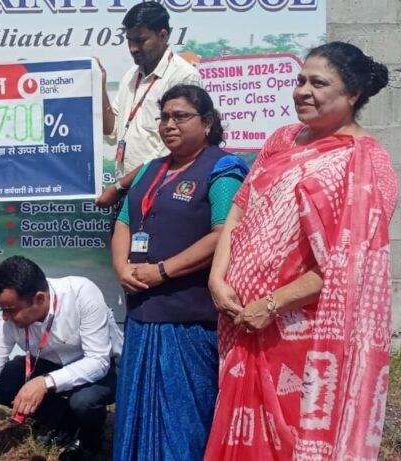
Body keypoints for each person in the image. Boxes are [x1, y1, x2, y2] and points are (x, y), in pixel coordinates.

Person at [204, 42, 397, 460]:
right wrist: (217, 277)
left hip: (303, 333)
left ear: (353, 95)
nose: (302, 91)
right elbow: (241, 206)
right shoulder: (283, 140)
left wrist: (271, 305)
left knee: (292, 440)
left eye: (318, 83)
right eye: (300, 80)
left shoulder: (367, 164)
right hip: (240, 321)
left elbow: (351, 266)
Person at [110, 84, 248, 460]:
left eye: (181, 116)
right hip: (142, 316)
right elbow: (124, 221)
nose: (169, 124)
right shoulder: (150, 171)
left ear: (207, 122)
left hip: (189, 320)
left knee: (182, 421)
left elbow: (225, 233)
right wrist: (122, 266)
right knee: (136, 418)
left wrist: (163, 271)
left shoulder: (223, 169)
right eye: (164, 117)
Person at [0, 256, 123, 461]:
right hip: (51, 363)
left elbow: (98, 361)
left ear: (39, 299)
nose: (5, 317)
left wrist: (44, 382)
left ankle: (90, 443)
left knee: (84, 401)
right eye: (2, 309)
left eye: (11, 310)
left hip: (105, 366)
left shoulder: (81, 294)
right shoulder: (7, 323)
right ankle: (66, 425)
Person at [96, 1, 202, 208]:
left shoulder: (183, 77)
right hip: (130, 190)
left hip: (162, 190)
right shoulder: (131, 75)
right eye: (129, 41)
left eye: (141, 40)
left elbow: (174, 148)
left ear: (163, 35)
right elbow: (112, 132)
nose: (133, 48)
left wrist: (119, 187)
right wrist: (99, 85)